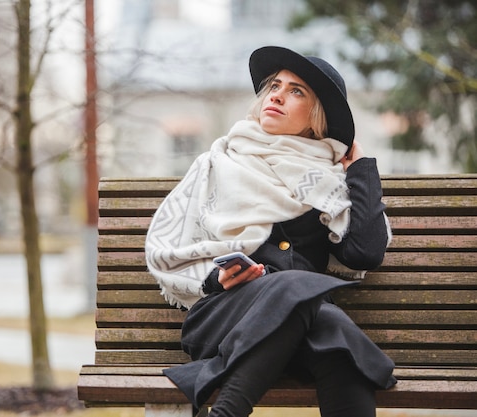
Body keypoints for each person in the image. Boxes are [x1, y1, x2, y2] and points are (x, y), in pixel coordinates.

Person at [145, 46, 397, 417]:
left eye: (297, 91)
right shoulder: (217, 163)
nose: (277, 94)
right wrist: (218, 279)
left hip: (299, 330)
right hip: (224, 318)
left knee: (328, 328)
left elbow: (365, 253)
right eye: (275, 86)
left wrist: (360, 168)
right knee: (307, 297)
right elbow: (168, 247)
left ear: (317, 118)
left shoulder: (328, 182)